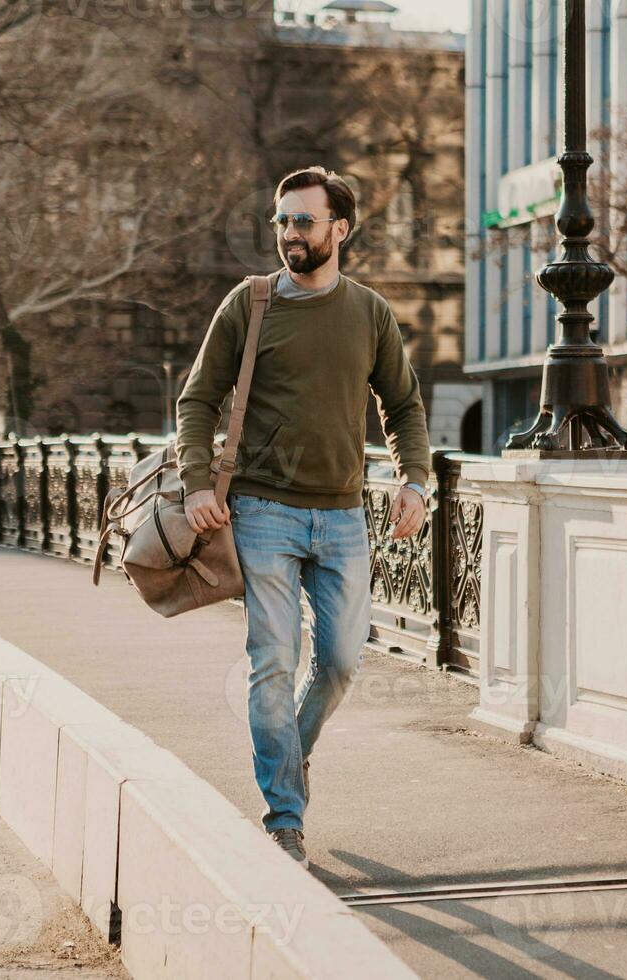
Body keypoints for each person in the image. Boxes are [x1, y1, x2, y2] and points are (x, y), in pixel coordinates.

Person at [176, 166, 431, 870]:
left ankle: (293, 752)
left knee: (343, 661)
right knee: (273, 661)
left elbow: (403, 406)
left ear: (339, 230)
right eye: (282, 221)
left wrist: (416, 479)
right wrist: (199, 483)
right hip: (260, 511)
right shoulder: (250, 304)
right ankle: (284, 819)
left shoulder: (370, 312)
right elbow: (198, 401)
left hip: (345, 513)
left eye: (304, 221)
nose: (290, 233)